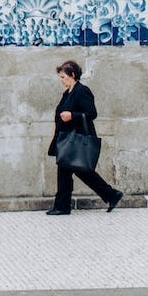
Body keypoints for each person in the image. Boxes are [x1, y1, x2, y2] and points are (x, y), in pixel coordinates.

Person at [46, 59, 123, 216]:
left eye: (63, 77)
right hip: (67, 139)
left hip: (76, 139)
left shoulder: (82, 91)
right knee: (68, 172)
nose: (62, 81)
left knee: (80, 172)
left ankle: (64, 206)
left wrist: (72, 116)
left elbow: (91, 113)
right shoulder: (68, 93)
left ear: (73, 75)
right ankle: (109, 195)